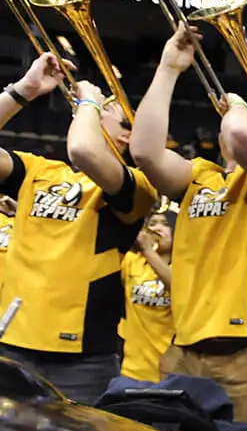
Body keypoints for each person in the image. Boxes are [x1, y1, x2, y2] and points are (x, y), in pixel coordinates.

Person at [131, 25, 247, 431]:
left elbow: (243, 136)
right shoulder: (199, 176)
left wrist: (241, 104)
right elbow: (144, 151)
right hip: (188, 348)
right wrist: (170, 67)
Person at [0, 55, 158, 403]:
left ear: (127, 136)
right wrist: (23, 91)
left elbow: (84, 148)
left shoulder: (137, 187)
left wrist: (90, 98)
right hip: (12, 342)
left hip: (80, 361)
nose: (88, 112)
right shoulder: (38, 170)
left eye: (105, 113)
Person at [118, 211, 174, 382]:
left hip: (173, 368)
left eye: (165, 224)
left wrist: (148, 251)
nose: (157, 229)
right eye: (152, 224)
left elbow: (178, 286)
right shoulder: (132, 261)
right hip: (132, 370)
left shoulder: (186, 264)